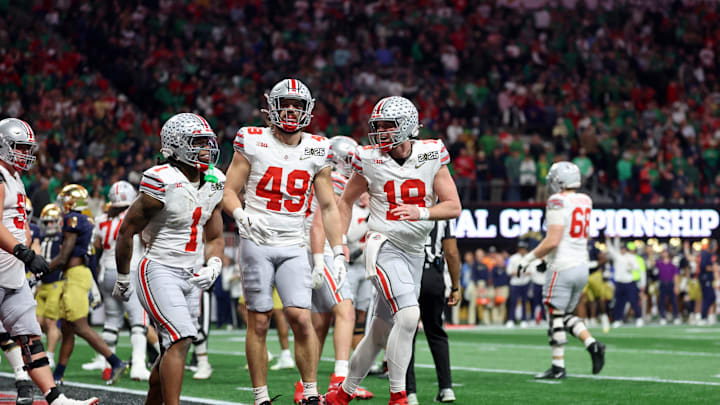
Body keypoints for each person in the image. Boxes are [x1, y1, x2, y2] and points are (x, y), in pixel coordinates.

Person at [325, 96, 461, 405]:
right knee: (410, 316)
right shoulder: (368, 158)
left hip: (414, 250)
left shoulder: (431, 153)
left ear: (408, 126)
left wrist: (421, 213)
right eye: (379, 126)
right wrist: (340, 244)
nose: (382, 132)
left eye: (389, 126)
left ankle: (342, 394)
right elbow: (345, 202)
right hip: (383, 244)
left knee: (378, 333)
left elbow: (453, 206)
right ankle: (399, 395)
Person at [223, 78, 345, 405]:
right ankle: (261, 396)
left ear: (308, 109)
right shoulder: (252, 139)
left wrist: (338, 252)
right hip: (256, 239)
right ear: (270, 106)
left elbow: (330, 205)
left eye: (297, 105)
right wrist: (241, 215)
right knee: (259, 319)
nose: (291, 110)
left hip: (294, 241)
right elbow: (229, 192)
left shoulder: (317, 148)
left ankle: (310, 393)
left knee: (301, 318)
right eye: (285, 103)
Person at [113, 113, 225, 405]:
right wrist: (123, 276)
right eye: (197, 143)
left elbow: (214, 237)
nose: (206, 149)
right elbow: (126, 231)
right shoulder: (161, 180)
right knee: (180, 338)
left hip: (191, 274)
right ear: (175, 146)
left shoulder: (214, 181)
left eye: (207, 142)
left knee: (171, 348)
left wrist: (214, 264)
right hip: (158, 268)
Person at [0, 118, 98, 404]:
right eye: (18, 147)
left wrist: (28, 253)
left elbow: (20, 225)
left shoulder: (15, 177)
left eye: (26, 148)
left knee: (30, 339)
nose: (25, 154)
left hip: (13, 274)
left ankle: (56, 398)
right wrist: (25, 252)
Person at [518, 161, 605, 379]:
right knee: (565, 315)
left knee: (555, 315)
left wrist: (528, 258)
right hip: (581, 265)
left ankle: (558, 366)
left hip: (563, 266)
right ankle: (593, 344)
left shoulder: (557, 201)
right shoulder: (585, 200)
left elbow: (553, 239)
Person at [304, 136, 373, 402]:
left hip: (312, 249)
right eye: (350, 160)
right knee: (345, 312)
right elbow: (322, 221)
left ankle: (305, 385)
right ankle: (341, 381)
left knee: (320, 322)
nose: (354, 165)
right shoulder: (332, 178)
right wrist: (334, 251)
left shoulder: (331, 179)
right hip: (319, 250)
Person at [50, 184, 128, 385]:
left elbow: (65, 254)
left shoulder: (72, 219)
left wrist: (44, 267)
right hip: (78, 274)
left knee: (80, 326)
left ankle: (115, 361)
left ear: (71, 201)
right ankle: (58, 375)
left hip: (75, 275)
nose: (62, 203)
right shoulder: (86, 219)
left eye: (65, 199)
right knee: (67, 329)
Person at [88, 180, 151, 381]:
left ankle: (108, 365)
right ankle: (138, 366)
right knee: (138, 321)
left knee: (111, 321)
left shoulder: (101, 219)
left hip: (106, 272)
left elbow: (96, 245)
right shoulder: (135, 215)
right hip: (128, 270)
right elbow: (144, 240)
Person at [406, 219, 460, 405]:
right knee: (436, 332)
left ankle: (409, 392)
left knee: (406, 334)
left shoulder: (406, 204)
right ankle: (446, 388)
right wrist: (455, 286)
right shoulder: (445, 216)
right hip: (433, 275)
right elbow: (451, 252)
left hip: (408, 273)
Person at [35, 204, 64, 370]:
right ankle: (39, 354)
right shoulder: (43, 238)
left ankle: (50, 355)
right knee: (36, 322)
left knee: (51, 322)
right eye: (48, 223)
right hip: (43, 284)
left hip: (55, 283)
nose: (50, 225)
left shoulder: (61, 239)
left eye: (53, 222)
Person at [606, 236, 642, 327]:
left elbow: (637, 267)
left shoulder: (631, 257)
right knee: (619, 302)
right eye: (621, 249)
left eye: (624, 249)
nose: (622, 250)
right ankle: (618, 319)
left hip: (629, 282)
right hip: (619, 283)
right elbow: (611, 249)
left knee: (633, 301)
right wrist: (609, 240)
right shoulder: (617, 256)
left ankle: (639, 318)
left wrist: (630, 267)